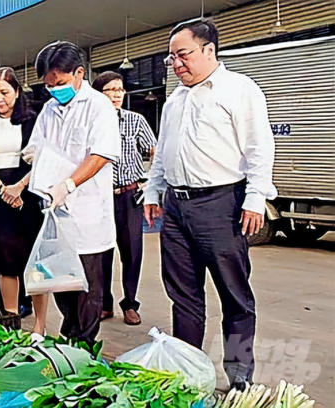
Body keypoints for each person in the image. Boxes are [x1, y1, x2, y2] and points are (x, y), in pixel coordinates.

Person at [143, 19, 277, 389]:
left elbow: (259, 148)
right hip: (176, 207)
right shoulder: (174, 100)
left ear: (209, 50)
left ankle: (239, 378)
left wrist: (255, 198)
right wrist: (153, 193)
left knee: (234, 296)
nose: (176, 64)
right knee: (183, 297)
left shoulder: (239, 90)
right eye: (171, 58)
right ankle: (190, 375)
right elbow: (163, 153)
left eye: (182, 55)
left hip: (222, 206)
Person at [23, 42, 121, 344]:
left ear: (79, 74)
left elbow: (101, 155)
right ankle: (70, 335)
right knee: (62, 281)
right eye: (49, 85)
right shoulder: (50, 110)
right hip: (56, 211)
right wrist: (32, 156)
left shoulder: (99, 107)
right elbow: (38, 145)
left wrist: (68, 184)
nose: (54, 90)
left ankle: (85, 345)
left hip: (87, 213)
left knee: (86, 286)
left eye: (60, 83)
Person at [0, 67, 47, 337]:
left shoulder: (32, 120)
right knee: (5, 259)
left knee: (33, 260)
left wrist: (19, 188)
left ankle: (40, 324)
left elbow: (41, 156)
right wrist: (3, 190)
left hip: (28, 191)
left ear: (17, 92)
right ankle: (12, 319)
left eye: (4, 92)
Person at [91, 71, 157, 326]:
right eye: (111, 90)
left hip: (130, 196)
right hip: (100, 197)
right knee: (102, 252)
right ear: (99, 94)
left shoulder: (135, 120)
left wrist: (152, 185)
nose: (117, 95)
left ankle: (130, 303)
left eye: (120, 90)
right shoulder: (92, 123)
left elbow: (154, 151)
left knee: (132, 252)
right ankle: (104, 304)